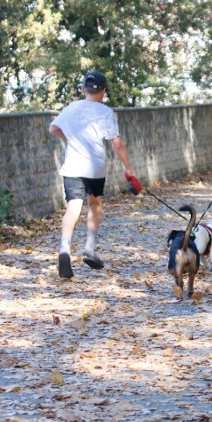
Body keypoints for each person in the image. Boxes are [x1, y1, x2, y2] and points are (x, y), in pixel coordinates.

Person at [49, 71, 136, 279]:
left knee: (73, 207)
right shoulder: (106, 112)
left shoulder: (71, 108)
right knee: (94, 204)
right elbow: (117, 143)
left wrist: (69, 139)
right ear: (104, 91)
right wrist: (128, 168)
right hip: (95, 167)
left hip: (72, 166)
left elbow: (53, 128)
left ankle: (64, 248)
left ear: (83, 90)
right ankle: (89, 247)